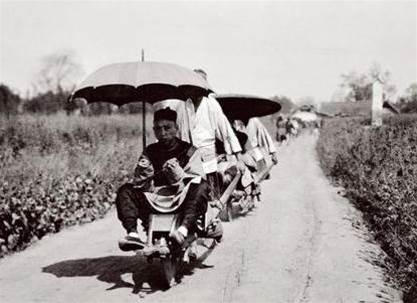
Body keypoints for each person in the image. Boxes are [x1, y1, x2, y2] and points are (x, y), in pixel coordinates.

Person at [115, 107, 222, 251]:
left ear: (176, 128)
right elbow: (139, 184)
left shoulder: (189, 150)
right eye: (158, 129)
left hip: (181, 198)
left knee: (201, 186)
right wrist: (143, 171)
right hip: (155, 197)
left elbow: (197, 178)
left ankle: (183, 230)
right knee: (125, 190)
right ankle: (133, 234)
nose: (163, 133)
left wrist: (179, 176)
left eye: (167, 128)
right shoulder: (150, 151)